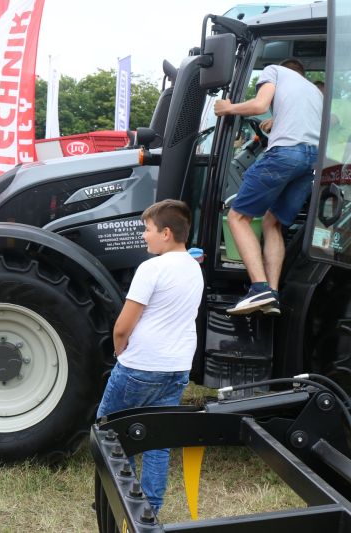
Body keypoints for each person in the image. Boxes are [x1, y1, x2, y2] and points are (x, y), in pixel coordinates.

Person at [96, 199, 203, 514]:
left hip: (141, 366)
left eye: (148, 229)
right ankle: (150, 507)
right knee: (157, 439)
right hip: (177, 366)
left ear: (166, 233)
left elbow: (123, 326)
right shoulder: (194, 267)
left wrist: (120, 353)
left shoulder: (151, 268)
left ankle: (120, 500)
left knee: (110, 432)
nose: (144, 235)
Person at [214, 57, 322, 315]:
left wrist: (227, 108)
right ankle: (271, 294)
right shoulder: (313, 91)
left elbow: (259, 104)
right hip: (312, 159)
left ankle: (259, 287)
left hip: (285, 154)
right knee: (273, 222)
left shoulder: (275, 71)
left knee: (237, 216)